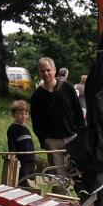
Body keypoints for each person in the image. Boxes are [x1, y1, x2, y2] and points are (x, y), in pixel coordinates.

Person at [29, 56, 85, 186]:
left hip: (72, 137)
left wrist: (81, 135)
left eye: (48, 70)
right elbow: (36, 122)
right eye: (43, 71)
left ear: (54, 70)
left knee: (78, 174)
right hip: (52, 142)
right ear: (39, 72)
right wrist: (45, 141)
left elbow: (78, 113)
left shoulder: (68, 89)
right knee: (58, 179)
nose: (46, 73)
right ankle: (61, 201)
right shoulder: (37, 96)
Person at [6, 99, 38, 186]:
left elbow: (30, 145)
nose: (23, 116)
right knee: (23, 183)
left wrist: (34, 159)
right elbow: (12, 145)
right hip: (22, 162)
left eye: (26, 114)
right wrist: (14, 158)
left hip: (31, 161)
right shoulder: (13, 129)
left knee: (31, 183)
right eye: (20, 113)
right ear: (14, 114)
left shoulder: (27, 129)